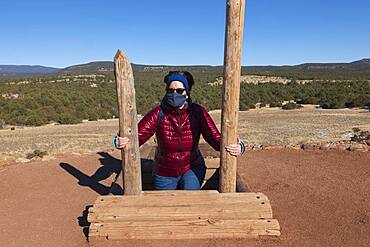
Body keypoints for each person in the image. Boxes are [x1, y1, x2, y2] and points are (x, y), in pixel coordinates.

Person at [113, 71, 246, 190]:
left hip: (192, 167)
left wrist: (239, 146)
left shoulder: (197, 112)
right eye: (171, 90)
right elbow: (137, 136)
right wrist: (119, 140)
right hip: (165, 170)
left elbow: (215, 139)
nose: (174, 94)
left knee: (190, 199)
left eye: (179, 90)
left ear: (187, 93)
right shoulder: (158, 113)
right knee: (166, 206)